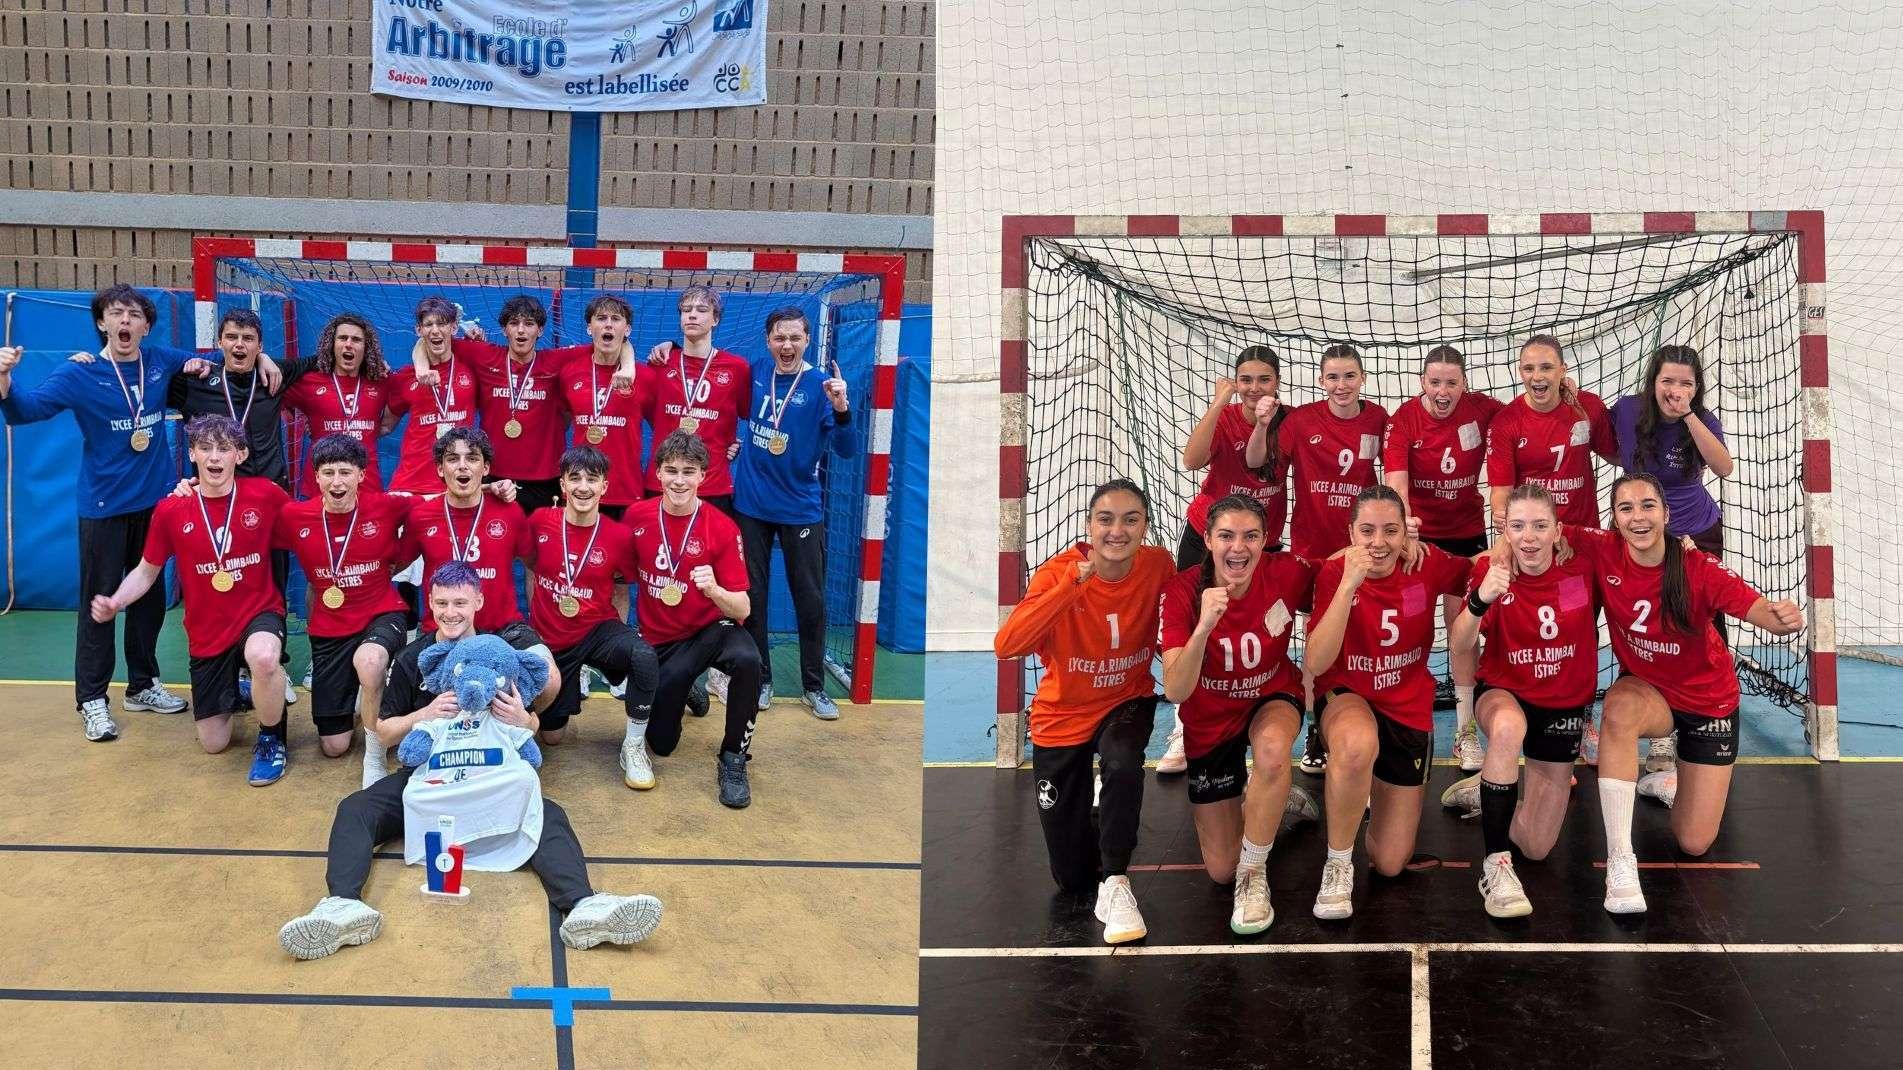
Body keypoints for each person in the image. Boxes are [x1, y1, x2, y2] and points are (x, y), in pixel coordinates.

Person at [277, 562, 664, 961]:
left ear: (478, 601)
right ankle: (342, 906)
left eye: (460, 602)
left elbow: (529, 731)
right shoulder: (415, 657)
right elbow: (386, 731)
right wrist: (423, 716)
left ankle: (584, 906)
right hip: (431, 778)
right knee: (355, 809)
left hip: (490, 777)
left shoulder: (500, 656)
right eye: (442, 602)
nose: (451, 612)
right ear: (429, 602)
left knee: (550, 816)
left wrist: (525, 719)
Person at [1570, 474, 1802, 915]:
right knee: (1617, 708)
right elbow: (1537, 526)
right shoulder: (1602, 549)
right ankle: (1622, 857)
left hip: (1707, 701)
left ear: (1666, 514)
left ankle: (1665, 782)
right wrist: (1499, 550)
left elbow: (1755, 609)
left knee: (1694, 843)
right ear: (1615, 519)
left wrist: (1782, 618)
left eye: (1647, 506)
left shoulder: (1698, 567)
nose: (1638, 516)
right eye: (1626, 508)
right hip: (1650, 693)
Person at [0, 285, 201, 739]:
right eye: (116, 313)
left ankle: (143, 684)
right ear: (102, 323)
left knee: (148, 601)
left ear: (146, 326)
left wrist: (199, 362)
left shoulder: (160, 361)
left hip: (154, 506)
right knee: (99, 605)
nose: (125, 321)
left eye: (134, 314)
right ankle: (91, 699)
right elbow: (24, 412)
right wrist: (5, 381)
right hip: (104, 510)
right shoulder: (80, 374)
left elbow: (206, 362)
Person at [993, 479, 1175, 945]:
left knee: (1122, 759)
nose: (1118, 530)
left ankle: (1116, 881)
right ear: (1089, 527)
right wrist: (1074, 585)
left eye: (1131, 519)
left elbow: (1182, 611)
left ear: (1146, 527)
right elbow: (1007, 645)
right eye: (1106, 519)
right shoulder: (1059, 574)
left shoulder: (1158, 566)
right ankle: (1096, 813)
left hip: (1126, 700)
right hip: (1062, 714)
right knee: (1071, 878)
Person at [88, 415, 293, 781]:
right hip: (207, 631)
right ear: (193, 455)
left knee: (263, 657)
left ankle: (271, 739)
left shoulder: (265, 494)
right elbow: (147, 571)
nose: (215, 457)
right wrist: (116, 601)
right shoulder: (170, 509)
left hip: (258, 612)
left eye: (224, 448)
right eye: (206, 448)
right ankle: (241, 689)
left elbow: (308, 526)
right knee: (214, 743)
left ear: (240, 454)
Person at [1303, 485, 1468, 920]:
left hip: (1407, 705)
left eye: (1391, 531)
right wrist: (1347, 584)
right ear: (1350, 533)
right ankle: (1337, 865)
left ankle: (1367, 790)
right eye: (1368, 531)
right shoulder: (1332, 572)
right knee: (1357, 744)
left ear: (1405, 533)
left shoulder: (1425, 562)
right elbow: (1317, 661)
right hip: (1347, 695)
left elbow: (1479, 570)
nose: (1379, 543)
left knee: (1392, 863)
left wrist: (1535, 540)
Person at [1438, 484, 1601, 918]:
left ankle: (1490, 790)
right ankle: (1494, 866)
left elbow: (1635, 542)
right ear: (1504, 530)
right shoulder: (1492, 571)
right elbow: (1459, 645)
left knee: (1537, 846)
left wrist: (1683, 544)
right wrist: (1478, 601)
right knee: (1508, 730)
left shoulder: (1583, 564)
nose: (1528, 537)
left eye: (1539, 525)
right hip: (1504, 692)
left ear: (1557, 530)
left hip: (1563, 704)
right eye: (1517, 526)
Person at [1159, 495, 1317, 935]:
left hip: (1272, 694)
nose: (1238, 548)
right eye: (1226, 536)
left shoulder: (1287, 572)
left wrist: (1397, 544)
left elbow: (1341, 568)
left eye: (1250, 536)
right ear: (1207, 539)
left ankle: (1255, 874)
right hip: (1210, 719)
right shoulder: (1181, 592)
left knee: (1271, 754)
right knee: (1219, 870)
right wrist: (1204, 625)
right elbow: (1175, 688)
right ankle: (1276, 800)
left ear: (1265, 540)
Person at [386, 427, 560, 786]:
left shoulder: (510, 512)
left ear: (486, 468)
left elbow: (532, 561)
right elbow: (395, 566)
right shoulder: (422, 516)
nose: (462, 467)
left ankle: (512, 726)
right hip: (446, 628)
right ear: (440, 469)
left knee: (550, 678)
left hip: (503, 626)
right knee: (439, 701)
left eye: (472, 459)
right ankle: (387, 747)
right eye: (453, 459)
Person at [1158, 345, 1289, 773]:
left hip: (1258, 542)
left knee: (1256, 630)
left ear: (1277, 382)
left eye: (1263, 379)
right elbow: (1192, 460)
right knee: (1196, 626)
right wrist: (1219, 401)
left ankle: (1257, 724)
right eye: (1246, 380)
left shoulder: (1287, 422)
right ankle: (1183, 728)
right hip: (1208, 537)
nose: (1254, 388)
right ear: (1236, 382)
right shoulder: (1227, 415)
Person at [1259, 343, 1388, 776]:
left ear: (1363, 378)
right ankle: (1316, 730)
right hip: (1313, 552)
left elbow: (1400, 470)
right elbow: (1266, 473)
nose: (1341, 385)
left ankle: (1363, 723)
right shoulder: (1300, 421)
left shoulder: (1378, 420)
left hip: (1364, 551)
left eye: (1349, 375)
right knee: (1316, 642)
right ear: (1321, 380)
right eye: (1332, 376)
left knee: (1362, 638)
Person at [1610, 344, 1735, 772]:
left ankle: (1707, 720)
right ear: (1653, 381)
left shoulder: (1700, 421)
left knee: (1700, 627)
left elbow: (1724, 468)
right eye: (1668, 381)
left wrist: (1689, 417)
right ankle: (1657, 730)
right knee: (1644, 627)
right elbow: (1611, 448)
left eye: (1685, 383)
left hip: (1694, 534)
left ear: (1696, 388)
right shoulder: (1627, 411)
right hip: (1642, 535)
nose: (1675, 390)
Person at [1382, 345, 1506, 773]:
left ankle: (1466, 729)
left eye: (1451, 382)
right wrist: (1405, 529)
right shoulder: (1403, 420)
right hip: (1419, 538)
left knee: (1463, 629)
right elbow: (1396, 483)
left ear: (1464, 383)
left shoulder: (1483, 410)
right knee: (1410, 624)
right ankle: (1398, 717)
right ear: (1422, 383)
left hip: (1466, 535)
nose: (1442, 391)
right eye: (1435, 382)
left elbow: (1524, 416)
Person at [623, 432, 760, 807]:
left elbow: (743, 609)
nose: (679, 480)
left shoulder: (721, 527)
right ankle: (687, 690)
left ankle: (733, 758)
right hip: (662, 642)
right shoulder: (637, 517)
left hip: (709, 630)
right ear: (658, 474)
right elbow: (617, 577)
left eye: (689, 471)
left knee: (748, 661)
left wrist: (714, 590)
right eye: (671, 471)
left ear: (704, 476)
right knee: (662, 746)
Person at [730, 307, 855, 719]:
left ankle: (813, 686)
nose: (786, 345)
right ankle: (761, 679)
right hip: (751, 505)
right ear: (768, 340)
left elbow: (847, 450)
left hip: (800, 508)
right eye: (779, 338)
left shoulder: (821, 386)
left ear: (807, 340)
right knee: (754, 596)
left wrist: (841, 408)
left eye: (795, 338)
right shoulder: (755, 373)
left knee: (810, 599)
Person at [414, 295, 636, 514]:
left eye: (529, 324)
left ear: (539, 331)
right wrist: (421, 369)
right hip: (495, 478)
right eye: (514, 323)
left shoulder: (556, 361)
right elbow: (432, 339)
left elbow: (613, 343)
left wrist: (628, 368)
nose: (521, 330)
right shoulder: (485, 356)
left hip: (546, 479)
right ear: (504, 330)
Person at [273, 434, 415, 759]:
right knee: (334, 747)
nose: (337, 482)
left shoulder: (386, 505)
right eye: (328, 473)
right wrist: (192, 491)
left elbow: (444, 501)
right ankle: (360, 692)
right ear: (316, 477)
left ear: (361, 475)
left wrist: (489, 488)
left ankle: (375, 752)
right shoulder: (296, 516)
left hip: (381, 613)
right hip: (330, 627)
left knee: (370, 661)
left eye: (345, 472)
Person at [524, 445, 660, 783]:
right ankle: (586, 681)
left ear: (604, 487)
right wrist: (535, 623)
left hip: (597, 629)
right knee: (552, 737)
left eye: (592, 479)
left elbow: (620, 587)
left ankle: (633, 746)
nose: (583, 487)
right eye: (575, 479)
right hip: (553, 641)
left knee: (642, 655)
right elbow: (530, 567)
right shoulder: (540, 521)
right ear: (563, 486)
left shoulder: (619, 536)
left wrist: (622, 637)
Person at [1485, 334, 1616, 530]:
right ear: (1520, 372)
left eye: (1546, 367)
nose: (1537, 376)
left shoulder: (1588, 406)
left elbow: (1617, 457)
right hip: (1534, 539)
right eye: (1529, 369)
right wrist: (1502, 517)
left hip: (1584, 533)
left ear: (1563, 370)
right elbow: (1502, 492)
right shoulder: (1504, 423)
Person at [641, 286, 752, 513]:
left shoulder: (737, 368)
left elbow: (749, 414)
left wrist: (736, 443)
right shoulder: (660, 363)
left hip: (713, 485)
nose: (692, 315)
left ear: (715, 319)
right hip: (662, 482)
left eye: (701, 310)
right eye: (686, 309)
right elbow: (652, 416)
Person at [556, 297, 649, 522]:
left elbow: (667, 423)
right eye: (601, 318)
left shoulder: (645, 376)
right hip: (581, 490)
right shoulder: (569, 373)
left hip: (627, 492)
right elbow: (563, 420)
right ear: (589, 328)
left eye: (616, 319)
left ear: (627, 329)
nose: (608, 324)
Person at [282, 313, 393, 500]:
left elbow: (403, 403)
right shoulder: (309, 382)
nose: (348, 344)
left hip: (367, 488)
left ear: (366, 348)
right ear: (332, 345)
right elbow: (271, 398)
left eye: (356, 339)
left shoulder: (382, 381)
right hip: (319, 490)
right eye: (342, 338)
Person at [384, 296, 480, 494]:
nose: (435, 330)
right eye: (428, 324)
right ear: (419, 330)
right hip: (411, 484)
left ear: (453, 328)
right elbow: (384, 425)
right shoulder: (405, 376)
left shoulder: (473, 368)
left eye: (442, 323)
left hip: (458, 484)